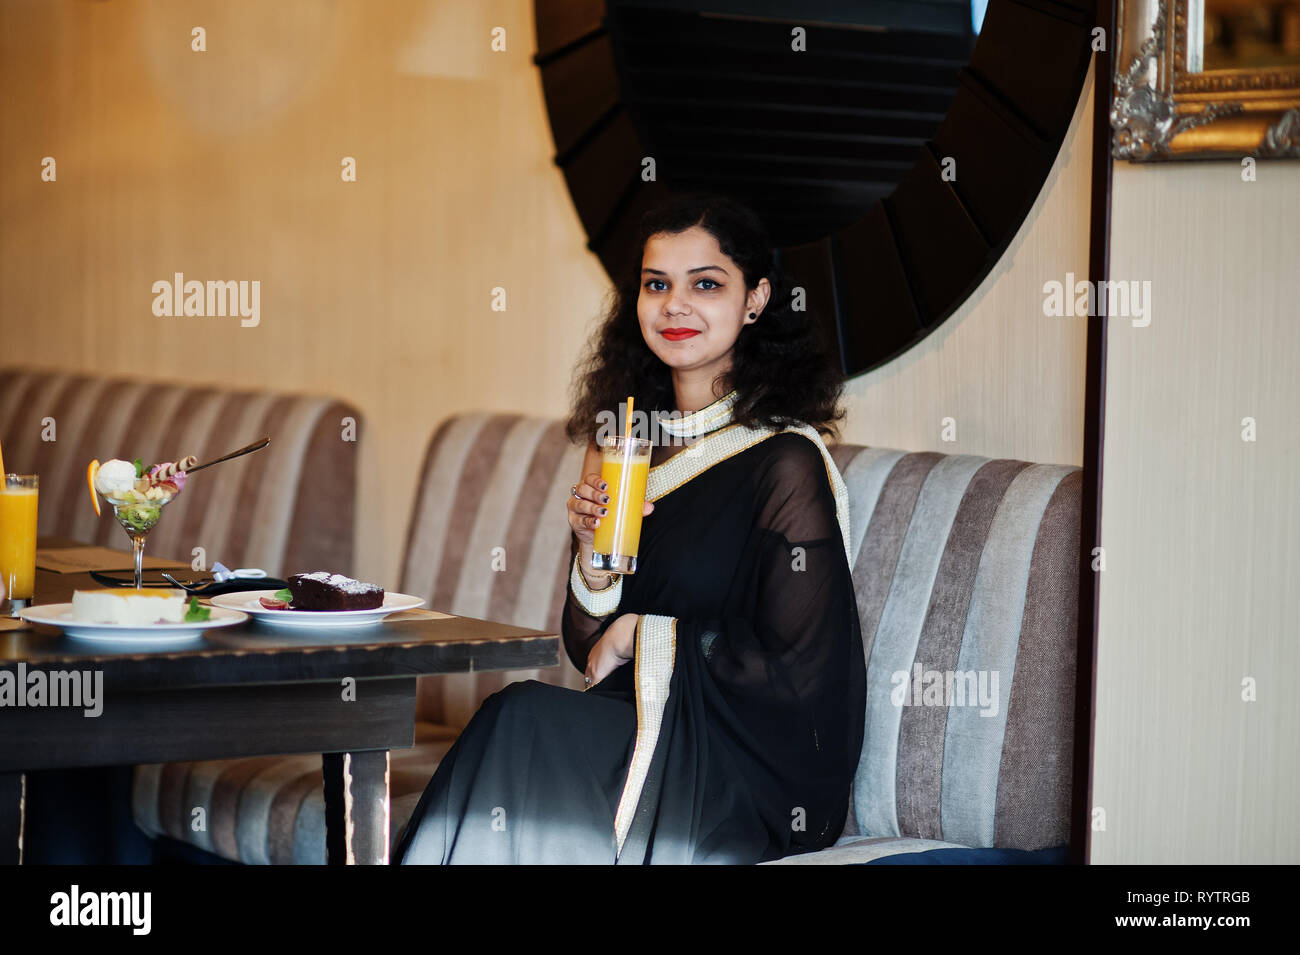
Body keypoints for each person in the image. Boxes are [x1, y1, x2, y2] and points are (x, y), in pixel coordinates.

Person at [394, 192, 865, 864]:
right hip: (629, 727)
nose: (675, 305)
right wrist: (593, 560)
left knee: (522, 718)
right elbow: (588, 651)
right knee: (521, 719)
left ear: (756, 299)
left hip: (743, 768)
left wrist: (644, 631)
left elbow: (802, 674)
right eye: (656, 284)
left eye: (706, 283)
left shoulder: (783, 460)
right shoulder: (623, 442)